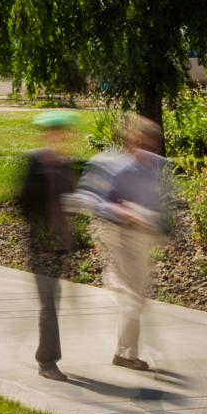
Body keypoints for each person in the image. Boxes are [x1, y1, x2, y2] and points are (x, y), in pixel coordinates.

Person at [72, 115, 172, 371]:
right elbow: (92, 201)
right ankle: (126, 354)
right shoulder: (113, 167)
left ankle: (116, 284)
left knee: (136, 294)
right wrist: (122, 211)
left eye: (151, 146)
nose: (146, 151)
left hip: (141, 236)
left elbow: (161, 203)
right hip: (117, 232)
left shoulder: (155, 167)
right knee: (134, 297)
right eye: (141, 145)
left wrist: (156, 222)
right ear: (131, 142)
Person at [16, 109, 80, 382]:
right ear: (47, 134)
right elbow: (22, 202)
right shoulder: (35, 163)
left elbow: (72, 199)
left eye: (63, 132)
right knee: (49, 303)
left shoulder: (65, 166)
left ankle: (47, 358)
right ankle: (47, 361)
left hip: (60, 244)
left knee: (52, 301)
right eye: (55, 132)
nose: (60, 137)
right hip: (40, 244)